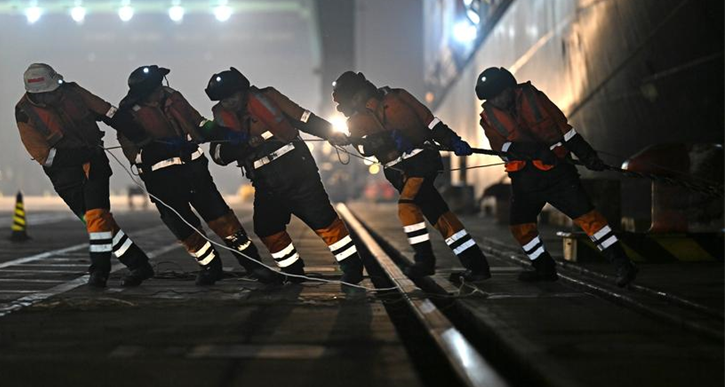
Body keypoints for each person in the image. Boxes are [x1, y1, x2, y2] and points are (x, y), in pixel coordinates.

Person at [475, 67, 637, 286]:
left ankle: (623, 265)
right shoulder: (488, 119)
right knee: (521, 228)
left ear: (510, 89)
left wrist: (587, 155)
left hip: (558, 173)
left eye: (499, 94)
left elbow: (564, 130)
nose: (496, 101)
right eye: (491, 98)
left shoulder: (534, 98)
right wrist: (535, 151)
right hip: (525, 180)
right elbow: (502, 146)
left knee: (589, 219)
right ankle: (544, 268)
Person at [117, 65, 277, 285]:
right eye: (158, 86)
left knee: (223, 219)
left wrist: (225, 134)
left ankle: (253, 265)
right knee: (185, 229)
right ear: (146, 92)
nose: (163, 88)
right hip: (162, 183)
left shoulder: (173, 97)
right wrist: (163, 148)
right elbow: (133, 155)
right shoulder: (127, 114)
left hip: (194, 172)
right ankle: (211, 266)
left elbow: (198, 122)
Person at [204, 68, 365, 285]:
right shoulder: (222, 120)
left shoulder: (269, 98)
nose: (228, 103)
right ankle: (292, 270)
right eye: (223, 100)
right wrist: (241, 146)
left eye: (231, 97)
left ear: (243, 91)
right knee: (266, 227)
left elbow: (304, 118)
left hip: (298, 173)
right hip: (265, 182)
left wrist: (330, 133)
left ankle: (352, 268)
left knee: (324, 220)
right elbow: (218, 155)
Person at [332, 71, 491, 282]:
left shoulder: (398, 97)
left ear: (358, 93)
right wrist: (386, 139)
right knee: (439, 214)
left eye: (349, 100)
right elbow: (365, 148)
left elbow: (430, 122)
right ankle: (477, 265)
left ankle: (425, 261)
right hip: (398, 173)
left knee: (407, 206)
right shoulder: (354, 122)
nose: (348, 106)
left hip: (422, 162)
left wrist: (453, 140)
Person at [15, 63, 154, 288]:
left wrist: (139, 136)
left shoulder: (72, 92)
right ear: (37, 95)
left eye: (57, 88)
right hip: (65, 176)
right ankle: (137, 264)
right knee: (96, 223)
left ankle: (99, 271)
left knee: (97, 218)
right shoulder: (25, 113)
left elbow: (108, 112)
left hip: (95, 165)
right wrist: (82, 153)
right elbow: (46, 156)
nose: (57, 94)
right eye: (51, 92)